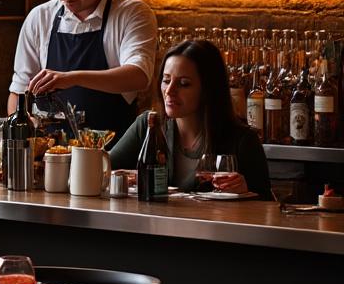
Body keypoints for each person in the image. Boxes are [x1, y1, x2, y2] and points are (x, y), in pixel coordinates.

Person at [8, 0, 158, 139]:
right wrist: (29, 124)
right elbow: (19, 92)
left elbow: (138, 76)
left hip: (112, 155)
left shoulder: (131, 13)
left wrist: (73, 78)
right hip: (51, 155)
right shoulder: (40, 17)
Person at [110, 39, 271, 198]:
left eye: (184, 83)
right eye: (166, 80)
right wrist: (125, 177)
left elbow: (267, 209)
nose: (169, 91)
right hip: (153, 224)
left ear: (209, 89)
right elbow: (102, 169)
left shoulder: (243, 141)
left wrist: (246, 191)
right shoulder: (149, 125)